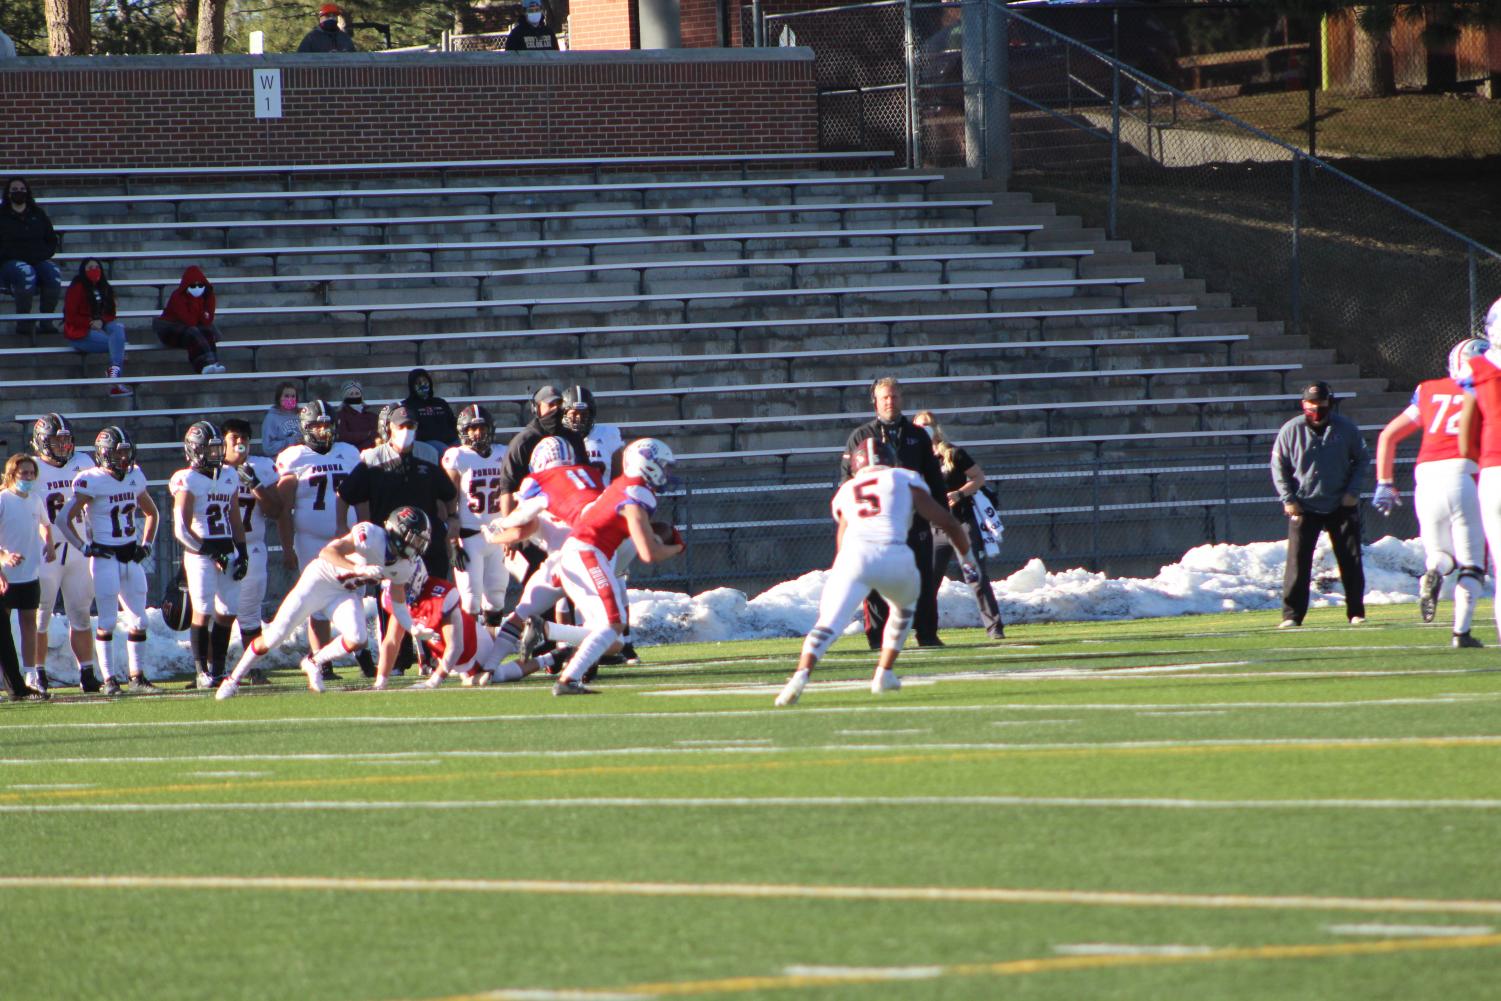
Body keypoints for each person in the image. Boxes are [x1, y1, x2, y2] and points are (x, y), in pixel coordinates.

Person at [776, 438, 974, 707]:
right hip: (894, 554)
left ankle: (800, 675)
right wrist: (968, 560)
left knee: (827, 625)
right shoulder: (903, 477)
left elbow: (843, 534)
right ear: (890, 460)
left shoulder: (848, 489)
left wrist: (843, 568)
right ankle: (884, 671)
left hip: (853, 556)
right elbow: (947, 521)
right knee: (904, 609)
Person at [216, 508, 430, 700]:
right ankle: (232, 680)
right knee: (274, 636)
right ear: (398, 531)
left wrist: (413, 628)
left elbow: (398, 603)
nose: (417, 546)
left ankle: (314, 661)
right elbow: (327, 552)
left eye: (421, 541)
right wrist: (357, 569)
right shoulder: (370, 535)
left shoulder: (405, 565)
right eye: (415, 539)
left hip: (344, 592)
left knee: (357, 637)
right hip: (319, 580)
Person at [1373, 338, 1489, 647]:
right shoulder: (1487, 390)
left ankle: (1432, 574)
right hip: (1464, 476)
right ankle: (1461, 633)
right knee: (1472, 565)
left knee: (1440, 555)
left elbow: (1389, 435)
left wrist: (1384, 481)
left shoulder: (1427, 389)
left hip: (1425, 478)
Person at [547, 439, 684, 695]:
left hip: (579, 552)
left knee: (610, 630)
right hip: (587, 553)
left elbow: (636, 534)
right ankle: (568, 680)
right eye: (662, 465)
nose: (666, 471)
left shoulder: (624, 486)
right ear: (647, 465)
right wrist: (678, 547)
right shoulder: (637, 492)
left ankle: (548, 635)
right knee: (614, 622)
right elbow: (648, 553)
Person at [842, 377, 946, 647]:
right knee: (875, 583)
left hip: (915, 521)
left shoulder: (917, 435)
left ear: (902, 398)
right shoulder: (860, 436)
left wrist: (941, 515)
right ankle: (877, 639)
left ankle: (927, 635)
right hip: (876, 526)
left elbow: (934, 479)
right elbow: (848, 483)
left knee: (922, 579)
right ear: (875, 401)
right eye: (884, 397)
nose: (890, 401)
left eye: (894, 396)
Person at [58, 427, 161, 695]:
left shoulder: (134, 476)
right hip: (105, 556)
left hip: (130, 554)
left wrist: (146, 544)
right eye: (119, 453)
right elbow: (63, 519)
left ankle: (137, 677)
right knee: (107, 620)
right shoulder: (92, 480)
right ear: (104, 454)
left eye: (127, 452)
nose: (125, 458)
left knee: (140, 620)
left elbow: (152, 513)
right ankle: (110, 679)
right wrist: (84, 546)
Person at [1269, 381, 1370, 628]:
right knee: (1298, 563)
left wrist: (1352, 492)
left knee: (1350, 560)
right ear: (1304, 403)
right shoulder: (1290, 430)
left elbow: (1362, 459)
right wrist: (1288, 498)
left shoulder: (1345, 429)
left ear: (1329, 403)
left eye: (1321, 403)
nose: (1316, 408)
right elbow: (1279, 466)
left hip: (1340, 503)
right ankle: (1292, 615)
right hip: (1304, 505)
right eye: (1311, 403)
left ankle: (1356, 612)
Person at [275, 400, 361, 676]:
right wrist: (287, 548)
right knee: (318, 600)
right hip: (311, 540)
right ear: (305, 428)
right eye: (317, 425)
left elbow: (361, 497)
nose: (324, 431)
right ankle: (322, 662)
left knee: (355, 592)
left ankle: (362, 653)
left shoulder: (349, 453)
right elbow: (284, 510)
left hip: (347, 538)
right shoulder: (294, 457)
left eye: (327, 424)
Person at [374, 573, 559, 690]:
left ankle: (553, 657)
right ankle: (528, 630)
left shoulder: (438, 598)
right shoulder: (402, 601)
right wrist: (381, 680)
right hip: (462, 643)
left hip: (469, 651)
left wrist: (434, 681)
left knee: (490, 677)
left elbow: (456, 647)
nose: (396, 593)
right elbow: (391, 641)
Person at [911, 411, 1005, 640]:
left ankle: (994, 627)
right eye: (919, 425)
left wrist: (960, 493)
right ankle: (924, 631)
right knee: (928, 581)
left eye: (928, 425)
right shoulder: (915, 457)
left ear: (935, 427)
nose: (924, 429)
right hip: (934, 527)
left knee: (975, 576)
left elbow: (978, 478)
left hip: (960, 523)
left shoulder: (952, 453)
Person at [170, 422, 249, 689]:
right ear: (195, 450)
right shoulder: (187, 478)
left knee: (228, 611)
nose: (216, 454)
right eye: (210, 449)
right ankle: (200, 670)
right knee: (202, 610)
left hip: (227, 547)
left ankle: (218, 668)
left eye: (218, 448)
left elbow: (235, 518)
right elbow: (180, 528)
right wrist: (208, 551)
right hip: (200, 551)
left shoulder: (229, 475)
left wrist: (243, 551)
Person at [29, 413, 101, 692]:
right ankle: (38, 673)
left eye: (66, 440)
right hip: (46, 550)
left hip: (80, 548)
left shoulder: (83, 462)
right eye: (56, 441)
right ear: (41, 442)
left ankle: (87, 672)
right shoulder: (31, 468)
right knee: (40, 615)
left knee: (81, 614)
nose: (63, 446)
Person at [497, 385, 590, 583]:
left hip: (567, 523)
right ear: (537, 408)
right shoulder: (523, 442)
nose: (556, 409)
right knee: (541, 588)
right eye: (551, 405)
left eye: (559, 404)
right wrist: (510, 532)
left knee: (572, 591)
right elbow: (508, 490)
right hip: (535, 528)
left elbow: (584, 476)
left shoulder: (572, 437)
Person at [221, 418, 282, 684]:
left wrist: (255, 485)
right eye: (234, 437)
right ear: (222, 442)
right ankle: (212, 669)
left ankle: (252, 668)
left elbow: (276, 510)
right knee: (219, 612)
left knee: (250, 612)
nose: (240, 442)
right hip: (221, 549)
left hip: (253, 546)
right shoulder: (210, 470)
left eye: (244, 437)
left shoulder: (261, 467)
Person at [441, 405, 509, 624]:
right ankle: (470, 651)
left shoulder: (503, 453)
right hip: (469, 536)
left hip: (498, 536)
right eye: (472, 429)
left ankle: (489, 650)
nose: (477, 433)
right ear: (463, 431)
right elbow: (449, 502)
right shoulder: (458, 456)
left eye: (481, 428)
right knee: (470, 601)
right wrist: (452, 541)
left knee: (497, 599)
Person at [0, 454, 51, 700]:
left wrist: (49, 544)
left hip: (28, 573)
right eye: (24, 474)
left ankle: (30, 676)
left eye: (32, 473)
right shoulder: (2, 500)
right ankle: (7, 680)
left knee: (29, 623)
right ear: (12, 475)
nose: (28, 478)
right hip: (5, 577)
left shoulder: (35, 499)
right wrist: (3, 558)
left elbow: (44, 524)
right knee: (3, 630)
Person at [0, 176, 61, 339]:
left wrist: (42, 254)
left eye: (21, 189)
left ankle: (46, 320)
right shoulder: (2, 215)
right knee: (25, 272)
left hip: (37, 259)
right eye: (14, 190)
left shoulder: (37, 214)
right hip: (8, 263)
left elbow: (51, 239)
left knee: (53, 272)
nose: (18, 193)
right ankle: (23, 322)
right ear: (8, 193)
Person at [62, 258, 131, 398]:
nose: (94, 270)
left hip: (102, 328)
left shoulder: (104, 287)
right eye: (90, 267)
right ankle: (115, 382)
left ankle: (114, 379)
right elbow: (70, 316)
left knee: (118, 329)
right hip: (80, 332)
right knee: (118, 344)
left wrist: (100, 321)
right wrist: (90, 323)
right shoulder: (77, 288)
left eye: (96, 267)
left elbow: (111, 313)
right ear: (83, 270)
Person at [153, 265, 225, 374]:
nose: (197, 288)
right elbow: (190, 321)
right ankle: (203, 366)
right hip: (170, 328)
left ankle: (213, 363)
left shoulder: (208, 296)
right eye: (193, 286)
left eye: (200, 285)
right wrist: (197, 304)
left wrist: (201, 307)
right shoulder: (178, 296)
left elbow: (207, 320)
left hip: (190, 328)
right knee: (193, 331)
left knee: (206, 331)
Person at [403, 368, 458, 455]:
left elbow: (453, 423)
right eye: (418, 382)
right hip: (426, 444)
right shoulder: (407, 406)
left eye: (424, 381)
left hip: (450, 441)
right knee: (444, 450)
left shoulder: (441, 403)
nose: (422, 384)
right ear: (412, 386)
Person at [262, 381, 303, 458]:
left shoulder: (301, 415)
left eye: (293, 396)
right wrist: (290, 442)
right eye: (286, 396)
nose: (290, 399)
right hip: (281, 461)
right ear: (279, 398)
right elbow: (268, 447)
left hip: (301, 459)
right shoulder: (271, 418)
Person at [335, 379, 377, 450]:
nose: (354, 396)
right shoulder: (340, 416)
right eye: (351, 394)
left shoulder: (372, 416)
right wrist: (367, 434)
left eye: (357, 394)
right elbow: (343, 436)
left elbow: (377, 435)